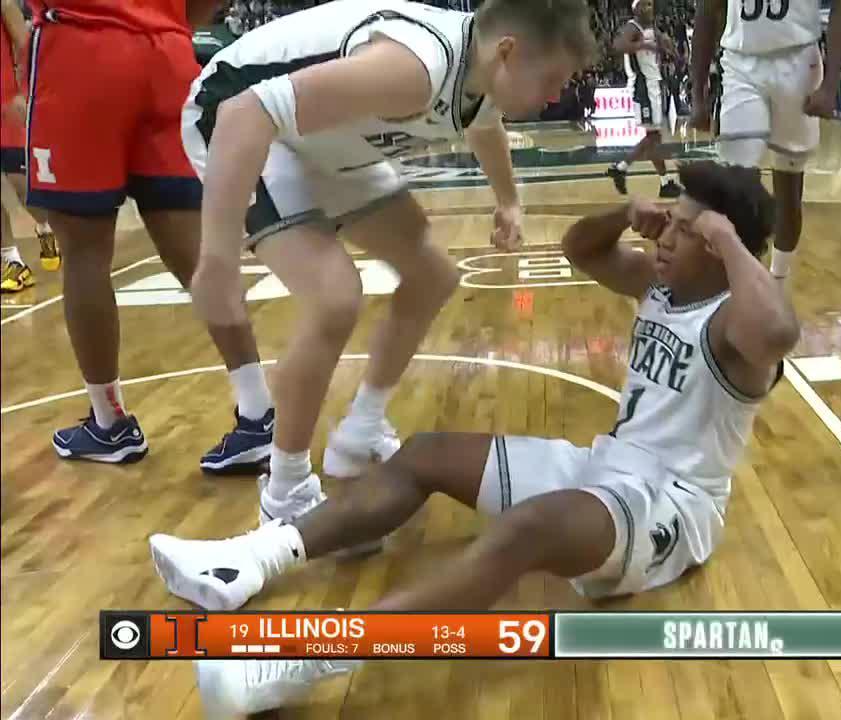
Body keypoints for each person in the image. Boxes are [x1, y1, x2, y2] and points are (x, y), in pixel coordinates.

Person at [147, 163, 798, 715]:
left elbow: (779, 335)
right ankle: (256, 558)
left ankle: (297, 661)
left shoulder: (738, 326)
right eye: (673, 222)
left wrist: (725, 239)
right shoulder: (664, 285)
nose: (668, 237)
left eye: (686, 231)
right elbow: (580, 250)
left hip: (672, 507)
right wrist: (627, 215)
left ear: (718, 246)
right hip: (610, 467)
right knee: (425, 453)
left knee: (528, 531)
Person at [184, 0, 594, 526]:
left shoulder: (485, 72)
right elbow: (247, 112)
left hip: (326, 140)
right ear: (508, 53)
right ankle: (285, 487)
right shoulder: (416, 68)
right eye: (553, 79)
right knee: (334, 299)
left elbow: (482, 124)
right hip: (238, 119)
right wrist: (216, 260)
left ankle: (360, 432)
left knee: (433, 276)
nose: (557, 95)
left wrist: (508, 200)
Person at [25, 0, 271, 468]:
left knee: (84, 253)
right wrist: (166, 24)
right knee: (196, 250)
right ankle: (258, 413)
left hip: (83, 48)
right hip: (168, 56)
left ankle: (109, 424)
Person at [690, 0, 841, 281]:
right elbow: (708, 10)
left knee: (788, 190)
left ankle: (777, 282)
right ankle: (734, 285)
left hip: (799, 64)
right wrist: (697, 94)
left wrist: (831, 85)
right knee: (734, 184)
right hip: (740, 64)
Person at [1, 0, 58, 295]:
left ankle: (46, 229)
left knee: (21, 184)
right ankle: (12, 261)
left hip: (7, 104)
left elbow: (25, 48)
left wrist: (27, 91)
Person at [606, 0, 682, 198]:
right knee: (653, 137)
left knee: (653, 138)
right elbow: (618, 45)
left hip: (653, 86)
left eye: (651, 4)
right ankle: (621, 167)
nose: (650, 7)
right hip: (643, 87)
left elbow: (661, 44)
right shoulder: (633, 27)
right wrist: (645, 44)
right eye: (646, 4)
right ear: (636, 8)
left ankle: (665, 183)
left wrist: (669, 50)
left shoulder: (651, 29)